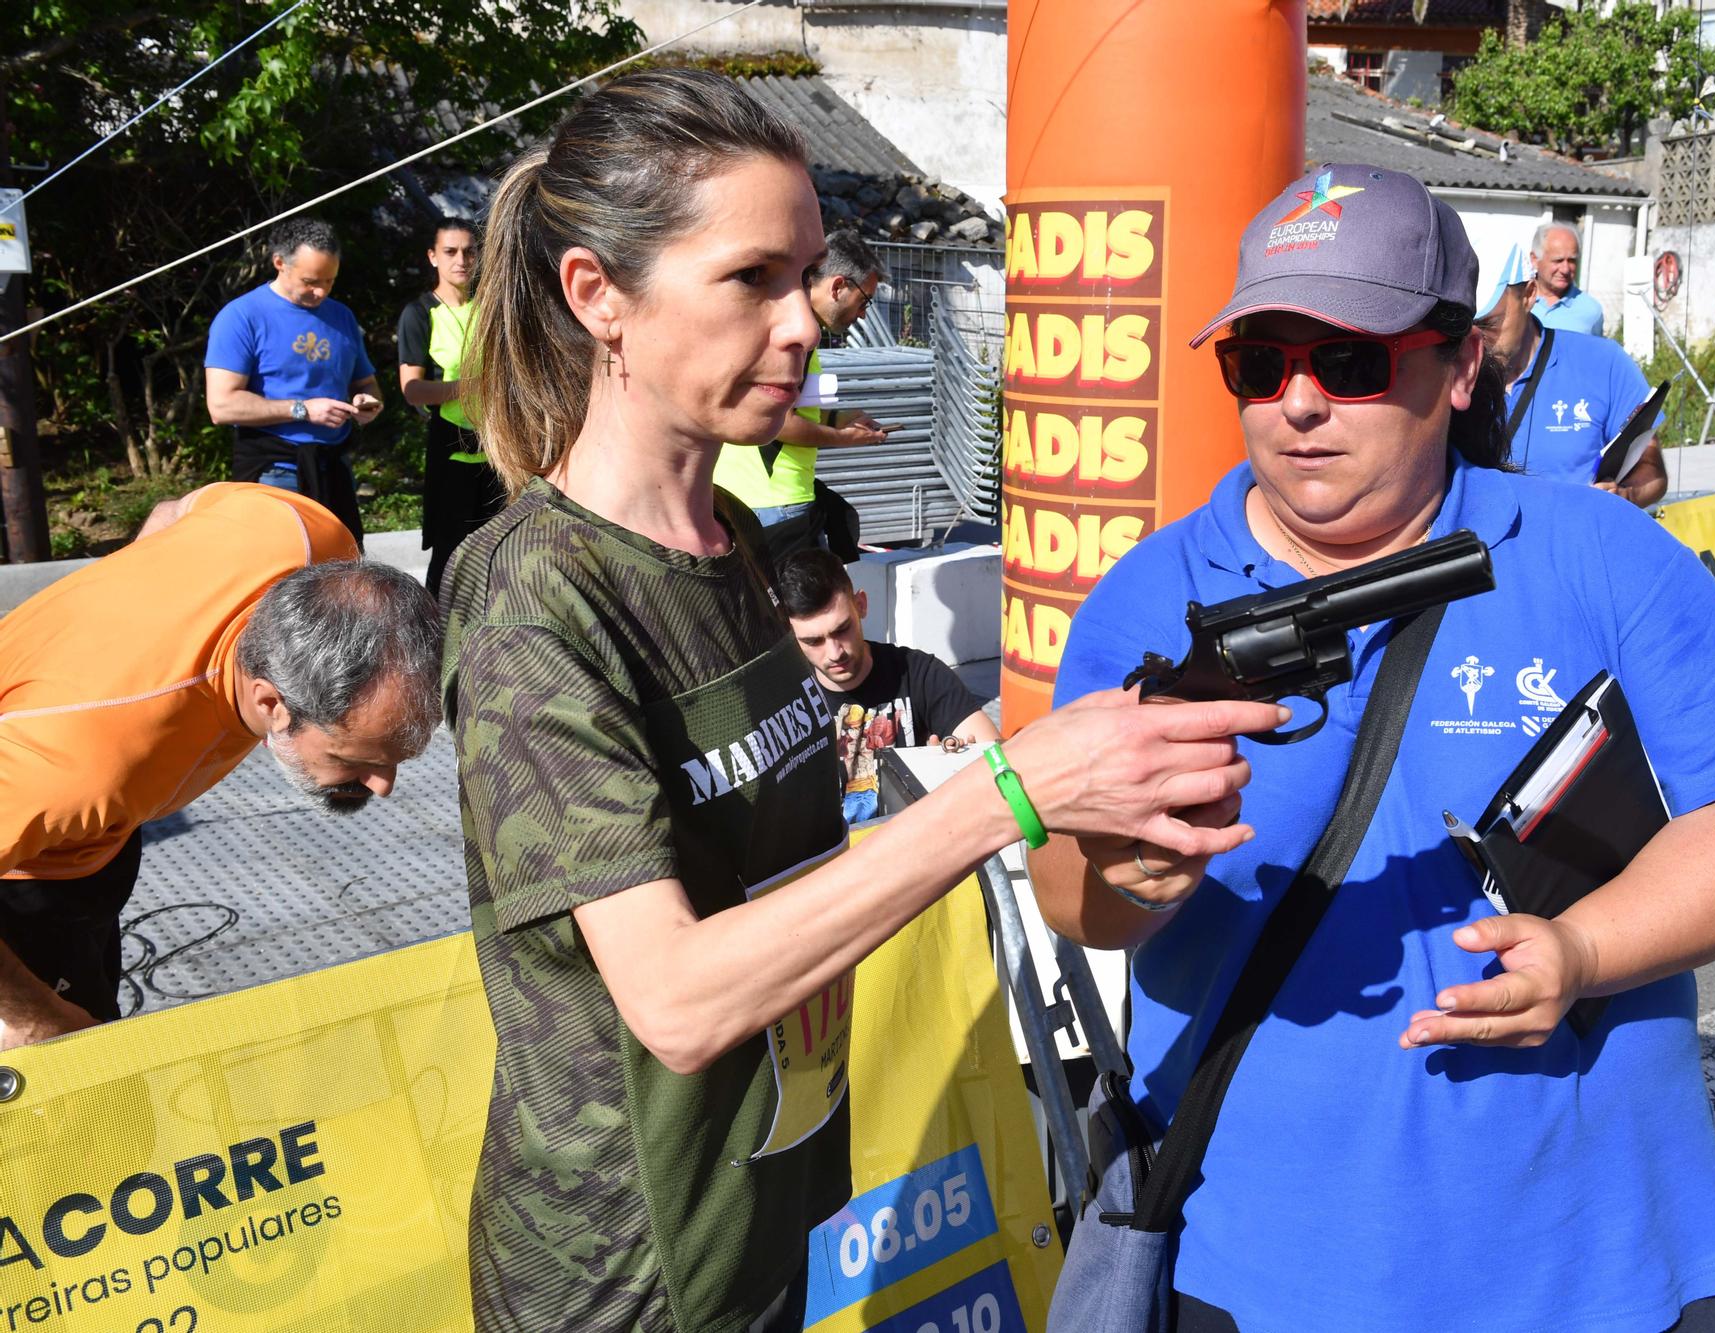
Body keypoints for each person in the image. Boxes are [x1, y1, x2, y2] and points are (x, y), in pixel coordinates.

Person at [440, 68, 1281, 1332]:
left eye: (807, 275)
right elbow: (673, 999)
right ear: (596, 297)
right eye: (751, 279)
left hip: (761, 1206)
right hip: (628, 1273)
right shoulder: (532, 597)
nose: (804, 324)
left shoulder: (725, 535)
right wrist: (1009, 793)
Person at [1027, 163, 1715, 1333]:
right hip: (1260, 1264)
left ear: (1461, 366)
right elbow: (1070, 896)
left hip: (1592, 1258)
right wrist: (1130, 868)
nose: (1296, 403)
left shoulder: (1597, 551)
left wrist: (1580, 947)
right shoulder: (1148, 600)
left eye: (1348, 362)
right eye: (1260, 364)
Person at [0, 483, 442, 1050]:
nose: (384, 786)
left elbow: (173, 512)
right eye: (357, 760)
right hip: (29, 874)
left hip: (89, 829)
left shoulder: (304, 538)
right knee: (64, 1090)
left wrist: (125, 600)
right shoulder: (86, 759)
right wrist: (36, 1017)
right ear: (270, 703)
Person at [775, 548, 1000, 823]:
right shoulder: (781, 699)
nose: (834, 653)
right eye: (813, 641)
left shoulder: (919, 673)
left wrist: (955, 762)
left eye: (842, 629)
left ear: (861, 605)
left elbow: (996, 758)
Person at [712, 227, 890, 563]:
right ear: (838, 286)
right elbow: (779, 423)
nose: (864, 313)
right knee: (796, 613)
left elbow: (791, 409)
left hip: (755, 498)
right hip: (774, 502)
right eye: (864, 300)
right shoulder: (797, 337)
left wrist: (840, 418)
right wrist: (846, 438)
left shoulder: (781, 325)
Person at [204, 217, 385, 545]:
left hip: (334, 468)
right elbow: (221, 405)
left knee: (343, 577)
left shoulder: (341, 316)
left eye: (330, 281)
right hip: (275, 470)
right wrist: (303, 410)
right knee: (279, 578)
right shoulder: (242, 316)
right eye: (310, 281)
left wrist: (367, 403)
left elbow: (367, 385)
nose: (321, 291)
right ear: (279, 263)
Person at [1478, 243, 1666, 506]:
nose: (1479, 340)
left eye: (1491, 324)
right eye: (1470, 327)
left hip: (1575, 542)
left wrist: (1624, 495)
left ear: (1529, 295)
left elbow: (1651, 467)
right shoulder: (1450, 371)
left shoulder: (1603, 363)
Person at [398, 218, 506, 595]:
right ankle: (433, 641)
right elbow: (412, 391)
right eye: (450, 251)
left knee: (498, 552)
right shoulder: (420, 313)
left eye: (469, 251)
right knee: (450, 556)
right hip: (451, 450)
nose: (461, 259)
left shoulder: (490, 309)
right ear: (433, 257)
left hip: (497, 449)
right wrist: (468, 388)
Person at [1528, 219, 1605, 336]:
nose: (1565, 269)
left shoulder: (1591, 311)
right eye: (1558, 261)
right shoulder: (1517, 302)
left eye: (1571, 260)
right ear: (1534, 259)